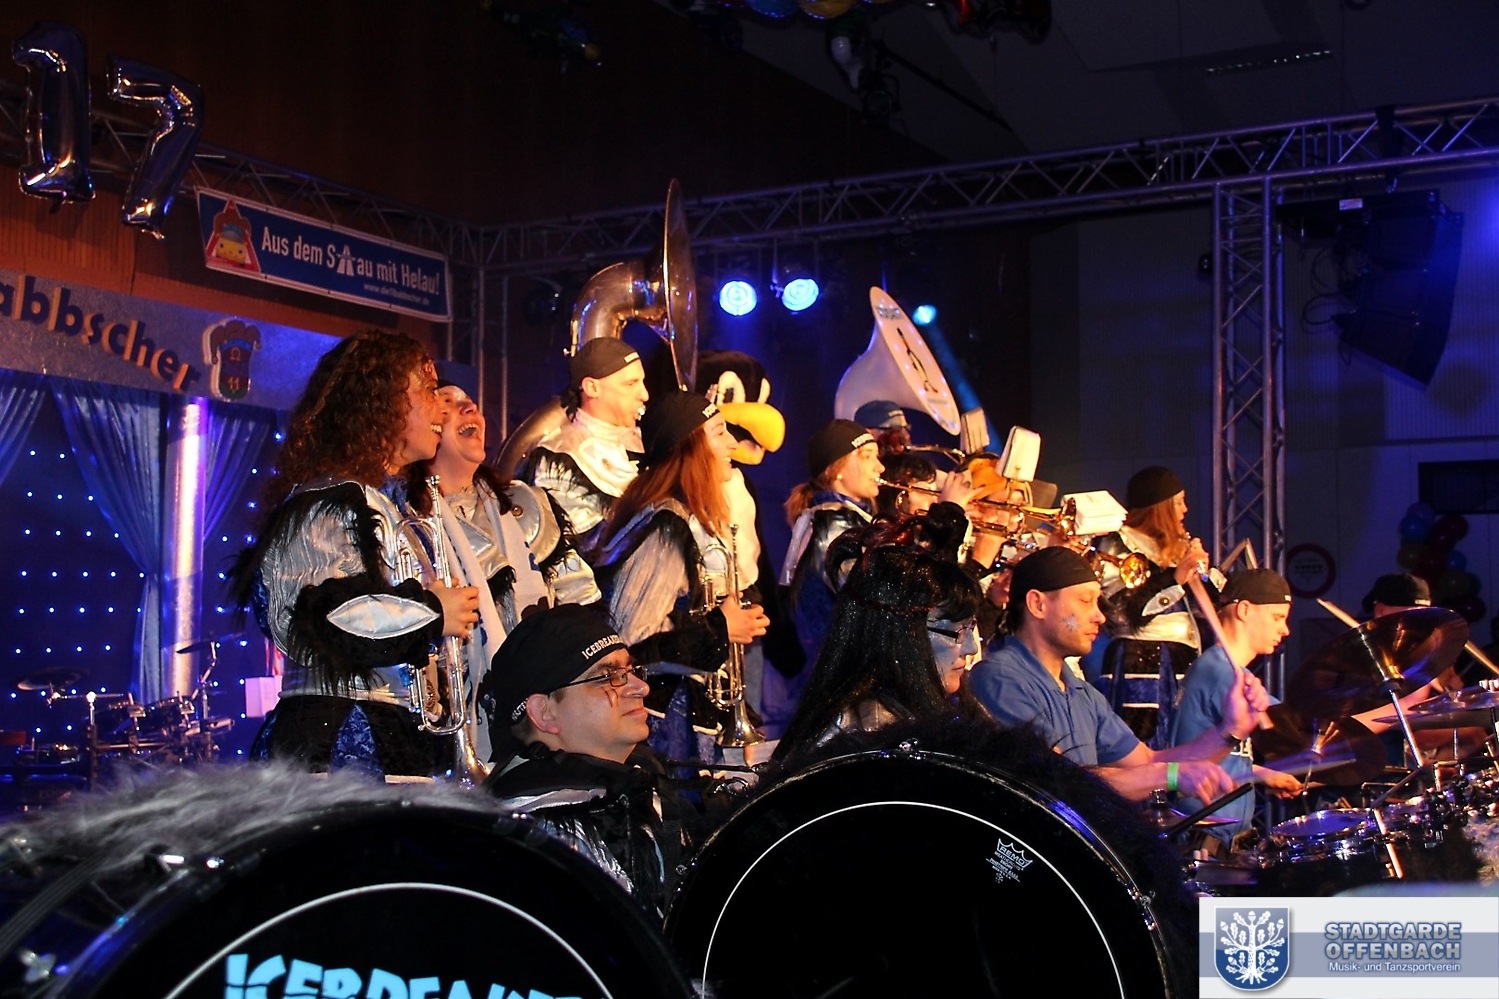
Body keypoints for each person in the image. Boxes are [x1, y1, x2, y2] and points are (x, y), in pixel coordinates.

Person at [228, 330, 481, 777]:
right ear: (381, 401)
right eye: (427, 389)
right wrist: (433, 612)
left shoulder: (387, 504)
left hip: (390, 737)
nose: (441, 406)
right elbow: (331, 617)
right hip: (340, 742)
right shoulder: (329, 501)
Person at [969, 546, 1269, 803]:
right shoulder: (998, 678)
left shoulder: (1083, 694)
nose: (1099, 616)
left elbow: (1147, 762)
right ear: (1038, 604)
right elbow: (1059, 778)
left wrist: (1231, 730)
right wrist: (1169, 775)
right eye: (1085, 601)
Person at [406, 381, 600, 763]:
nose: (470, 408)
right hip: (453, 726)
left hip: (544, 721)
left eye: (470, 402)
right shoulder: (409, 524)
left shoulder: (526, 506)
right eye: (448, 403)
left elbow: (581, 612)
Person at [482, 605, 718, 916]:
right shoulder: (526, 844)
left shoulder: (646, 786)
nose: (642, 688)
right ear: (544, 712)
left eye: (630, 671)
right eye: (607, 677)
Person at [593, 391, 769, 763]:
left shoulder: (671, 516)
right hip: (662, 732)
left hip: (675, 720)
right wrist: (721, 628)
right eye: (719, 433)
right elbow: (630, 644)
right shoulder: (665, 526)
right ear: (688, 448)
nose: (733, 444)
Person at [773, 516, 985, 763]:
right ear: (900, 635)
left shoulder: (918, 713)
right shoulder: (868, 736)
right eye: (958, 631)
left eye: (970, 628)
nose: (971, 648)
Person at [1169, 569, 1302, 849]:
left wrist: (1261, 773)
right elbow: (1298, 732)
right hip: (1206, 843)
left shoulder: (1217, 667)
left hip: (1217, 838)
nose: (1285, 630)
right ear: (1244, 610)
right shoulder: (1223, 673)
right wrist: (1388, 714)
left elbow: (1214, 753)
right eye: (1277, 617)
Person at [768, 420, 884, 737]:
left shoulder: (839, 520)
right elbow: (872, 591)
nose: (880, 466)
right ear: (837, 469)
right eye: (868, 456)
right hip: (845, 689)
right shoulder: (834, 523)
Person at [1096, 465, 1220, 746]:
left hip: (1180, 659)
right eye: (1179, 502)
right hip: (1142, 659)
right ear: (1160, 508)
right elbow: (1123, 612)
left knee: (1181, 739)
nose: (1186, 510)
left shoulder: (1176, 548)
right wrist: (1175, 578)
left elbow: (1212, 606)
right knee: (1145, 739)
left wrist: (1202, 572)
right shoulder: (1120, 544)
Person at [526, 338, 649, 558]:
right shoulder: (562, 456)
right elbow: (578, 549)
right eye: (630, 384)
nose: (644, 395)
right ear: (592, 387)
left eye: (642, 382)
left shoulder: (646, 443)